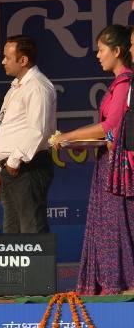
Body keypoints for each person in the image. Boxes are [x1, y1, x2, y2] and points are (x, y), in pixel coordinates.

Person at [51, 25, 134, 295]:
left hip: (117, 168)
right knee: (106, 224)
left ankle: (121, 283)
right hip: (107, 162)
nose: (97, 55)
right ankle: (110, 283)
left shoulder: (126, 83)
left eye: (101, 50)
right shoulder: (117, 84)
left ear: (117, 51)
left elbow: (111, 127)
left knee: (117, 225)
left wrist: (68, 136)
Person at [0, 35, 56, 233]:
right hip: (11, 168)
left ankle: (37, 259)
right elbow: (3, 127)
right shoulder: (15, 87)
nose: (3, 61)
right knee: (12, 231)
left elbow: (38, 129)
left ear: (23, 60)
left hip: (28, 167)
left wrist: (14, 161)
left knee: (31, 229)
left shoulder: (38, 86)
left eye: (7, 57)